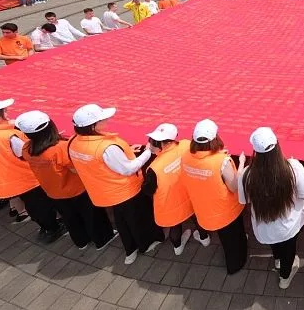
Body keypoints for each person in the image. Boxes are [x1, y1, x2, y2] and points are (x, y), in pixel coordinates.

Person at [68, 104, 164, 264]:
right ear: (93, 125)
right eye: (101, 119)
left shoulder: (73, 141)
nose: (106, 119)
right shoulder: (106, 147)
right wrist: (149, 151)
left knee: (121, 219)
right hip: (126, 191)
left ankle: (129, 249)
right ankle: (144, 245)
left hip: (103, 191)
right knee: (136, 219)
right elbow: (127, 169)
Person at [0, 97, 64, 241]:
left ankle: (46, 227)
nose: (7, 113)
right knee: (39, 206)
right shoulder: (8, 136)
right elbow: (25, 154)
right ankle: (51, 228)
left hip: (4, 181)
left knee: (33, 206)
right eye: (3, 112)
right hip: (26, 180)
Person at [17, 110, 117, 250]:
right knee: (92, 216)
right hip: (76, 190)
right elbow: (75, 169)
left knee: (70, 219)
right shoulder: (59, 148)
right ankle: (102, 239)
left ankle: (81, 242)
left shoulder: (27, 148)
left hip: (53, 192)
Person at [238, 127, 304, 289]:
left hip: (264, 229)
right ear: (278, 145)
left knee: (277, 246)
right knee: (289, 250)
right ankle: (284, 277)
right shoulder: (293, 167)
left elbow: (244, 201)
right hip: (289, 226)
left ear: (255, 151)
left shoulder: (246, 175)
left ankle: (278, 260)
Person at [181, 119, 247, 274]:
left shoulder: (186, 156)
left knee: (226, 238)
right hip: (226, 211)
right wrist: (241, 164)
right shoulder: (221, 162)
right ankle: (235, 266)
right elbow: (234, 186)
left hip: (204, 209)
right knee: (233, 239)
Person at [142, 123, 197, 256]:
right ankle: (204, 238)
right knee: (197, 217)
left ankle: (178, 248)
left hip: (172, 202)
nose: (150, 145)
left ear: (163, 144)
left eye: (153, 142)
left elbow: (148, 190)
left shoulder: (154, 168)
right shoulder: (185, 145)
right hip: (189, 194)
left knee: (175, 225)